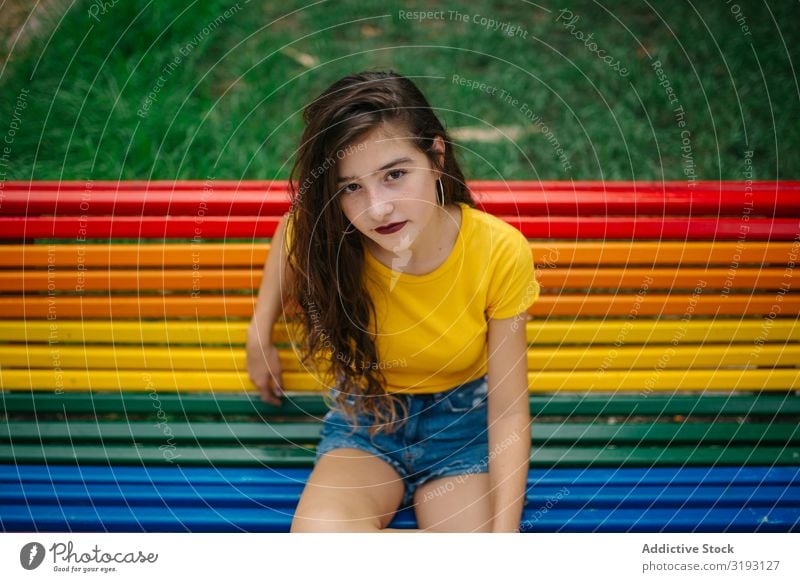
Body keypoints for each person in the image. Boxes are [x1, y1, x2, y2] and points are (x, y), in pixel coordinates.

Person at [246, 70, 540, 533]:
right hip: (367, 423)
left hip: (461, 429)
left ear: (436, 157)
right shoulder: (332, 240)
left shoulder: (497, 251)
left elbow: (506, 411)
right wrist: (259, 330)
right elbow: (292, 230)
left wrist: (503, 545)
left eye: (395, 175)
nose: (377, 207)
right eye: (351, 187)